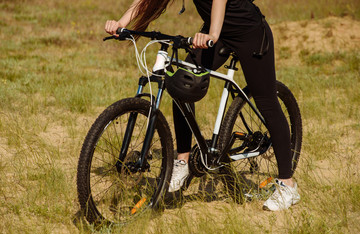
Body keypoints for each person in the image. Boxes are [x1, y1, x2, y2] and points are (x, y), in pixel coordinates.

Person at [105, 0, 300, 211]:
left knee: (267, 103)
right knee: (181, 83)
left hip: (247, 32)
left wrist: (213, 35)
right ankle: (183, 160)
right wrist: (122, 22)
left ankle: (287, 185)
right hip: (216, 32)